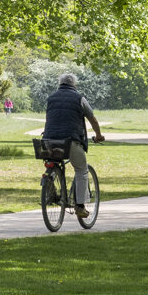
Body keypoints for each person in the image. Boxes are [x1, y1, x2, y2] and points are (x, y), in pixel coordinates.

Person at [42, 73, 105, 220]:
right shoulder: (79, 98)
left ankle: (50, 185)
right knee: (81, 170)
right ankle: (80, 206)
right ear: (74, 84)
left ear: (60, 83)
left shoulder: (51, 98)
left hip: (49, 140)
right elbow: (92, 119)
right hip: (71, 141)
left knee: (52, 162)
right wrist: (98, 135)